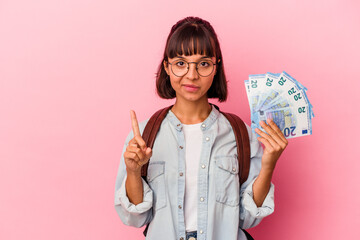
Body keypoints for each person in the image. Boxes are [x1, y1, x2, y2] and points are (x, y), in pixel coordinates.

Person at [114, 16, 288, 240]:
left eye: (203, 63)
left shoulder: (241, 134)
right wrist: (133, 171)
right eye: (180, 63)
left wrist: (268, 165)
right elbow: (136, 217)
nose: (192, 75)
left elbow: (247, 218)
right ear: (167, 67)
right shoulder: (143, 137)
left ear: (216, 67)